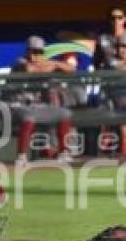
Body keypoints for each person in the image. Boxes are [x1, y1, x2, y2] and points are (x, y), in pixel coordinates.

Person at [9, 36, 76, 165]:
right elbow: (30, 69)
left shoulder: (47, 63)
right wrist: (49, 65)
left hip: (39, 105)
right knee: (29, 116)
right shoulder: (20, 62)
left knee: (64, 113)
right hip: (18, 105)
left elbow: (71, 69)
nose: (35, 55)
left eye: (39, 52)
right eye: (33, 51)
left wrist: (55, 64)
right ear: (27, 51)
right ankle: (21, 156)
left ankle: (63, 153)